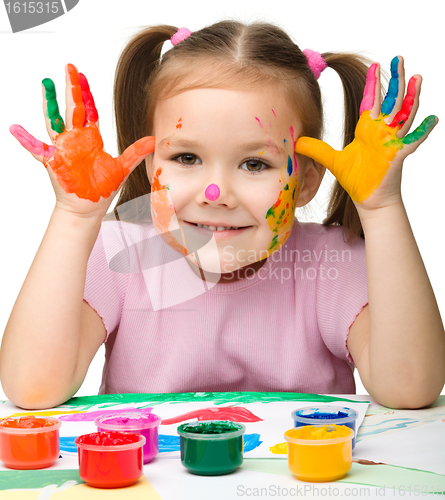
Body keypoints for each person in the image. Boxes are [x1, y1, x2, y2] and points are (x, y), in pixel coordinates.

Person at [1, 21, 444, 410]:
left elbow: (409, 388)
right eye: (188, 157)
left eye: (255, 164)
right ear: (152, 166)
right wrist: (74, 218)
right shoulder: (123, 252)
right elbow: (33, 387)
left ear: (306, 181)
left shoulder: (332, 263)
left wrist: (382, 209)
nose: (216, 194)